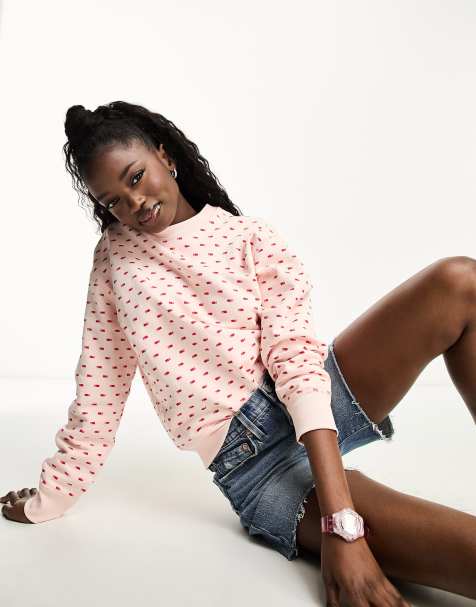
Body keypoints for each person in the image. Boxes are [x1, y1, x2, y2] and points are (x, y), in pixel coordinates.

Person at [2, 100, 476, 605]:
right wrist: (50, 497)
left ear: (165, 156)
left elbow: (296, 362)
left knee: (458, 280)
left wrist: (342, 522)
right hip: (257, 463)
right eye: (113, 201)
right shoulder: (116, 260)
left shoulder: (248, 237)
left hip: (314, 398)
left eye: (136, 177)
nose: (134, 203)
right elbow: (100, 388)